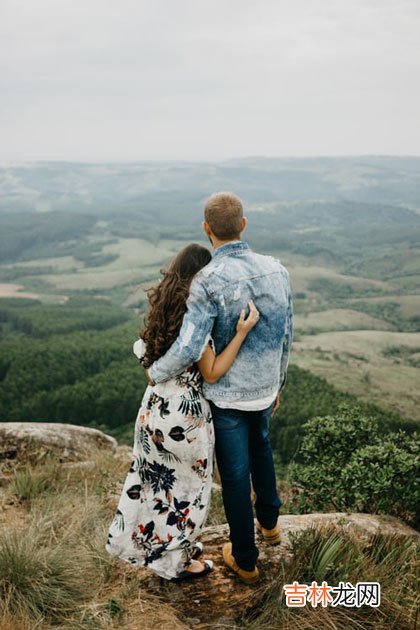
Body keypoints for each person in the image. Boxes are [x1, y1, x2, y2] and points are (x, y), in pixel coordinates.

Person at [148, 192, 293, 585]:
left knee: (234, 474)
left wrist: (155, 371)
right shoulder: (277, 271)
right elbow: (285, 335)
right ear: (244, 224)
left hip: (227, 396)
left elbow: (190, 346)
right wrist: (278, 381)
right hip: (264, 388)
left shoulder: (207, 280)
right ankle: (271, 525)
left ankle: (245, 559)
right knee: (262, 448)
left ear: (206, 229)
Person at [105, 243, 260, 582]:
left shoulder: (163, 312)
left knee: (154, 485)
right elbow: (212, 372)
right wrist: (241, 334)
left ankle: (159, 548)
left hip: (153, 409)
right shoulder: (195, 321)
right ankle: (178, 563)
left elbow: (145, 356)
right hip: (185, 419)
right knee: (187, 491)